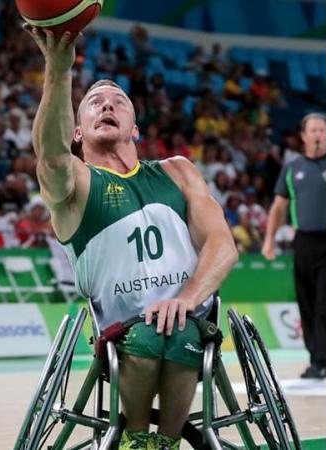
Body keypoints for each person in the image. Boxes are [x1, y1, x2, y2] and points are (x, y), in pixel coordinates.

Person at [25, 25, 238, 450]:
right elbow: (49, 154)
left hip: (190, 317)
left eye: (118, 101)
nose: (107, 104)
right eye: (94, 103)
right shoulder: (76, 184)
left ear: (135, 129)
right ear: (77, 132)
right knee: (146, 334)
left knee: (178, 331)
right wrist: (59, 71)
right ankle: (137, 438)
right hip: (124, 330)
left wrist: (186, 298)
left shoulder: (178, 171)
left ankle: (167, 442)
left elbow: (222, 245)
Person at [262, 113, 326, 380]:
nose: (318, 135)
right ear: (303, 135)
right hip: (304, 242)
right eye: (313, 130)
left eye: (322, 130)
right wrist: (269, 240)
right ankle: (316, 361)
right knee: (308, 302)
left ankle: (325, 358)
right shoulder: (292, 168)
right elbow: (279, 207)